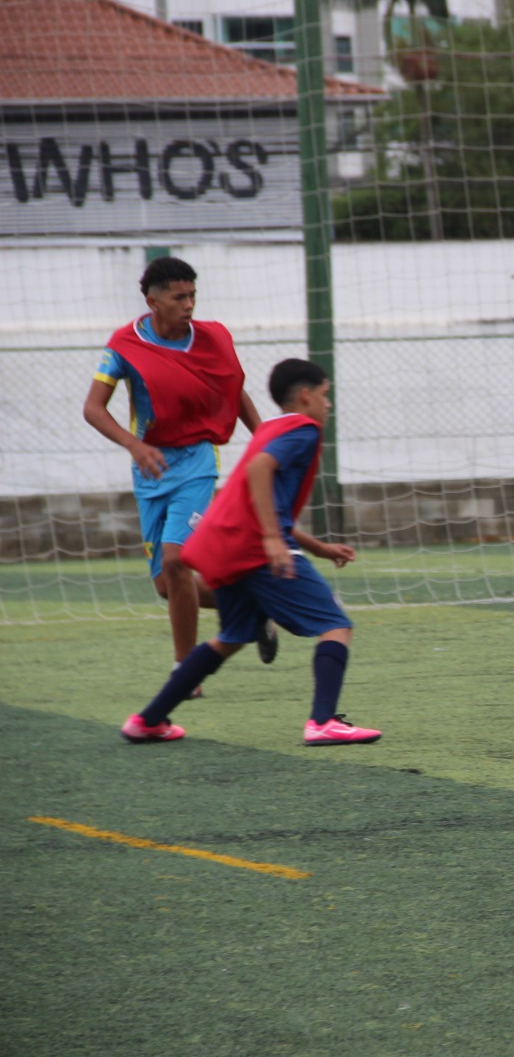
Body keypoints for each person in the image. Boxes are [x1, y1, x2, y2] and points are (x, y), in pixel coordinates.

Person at [120, 358, 381, 746]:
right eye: (325, 396)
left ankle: (148, 720)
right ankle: (323, 722)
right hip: (256, 549)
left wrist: (319, 547)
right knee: (336, 625)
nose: (328, 405)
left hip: (227, 547)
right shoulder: (304, 429)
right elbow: (260, 471)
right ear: (306, 396)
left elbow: (262, 498)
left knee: (230, 637)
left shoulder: (271, 430)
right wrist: (275, 541)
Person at [84, 257, 278, 690]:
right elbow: (93, 409)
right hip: (150, 468)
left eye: (192, 296)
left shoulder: (211, 339)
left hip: (196, 462)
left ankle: (185, 671)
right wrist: (134, 444)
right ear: (153, 301)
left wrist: (265, 439)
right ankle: (252, 607)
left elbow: (234, 389)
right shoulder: (124, 345)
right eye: (179, 297)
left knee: (177, 560)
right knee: (167, 586)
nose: (189, 305)